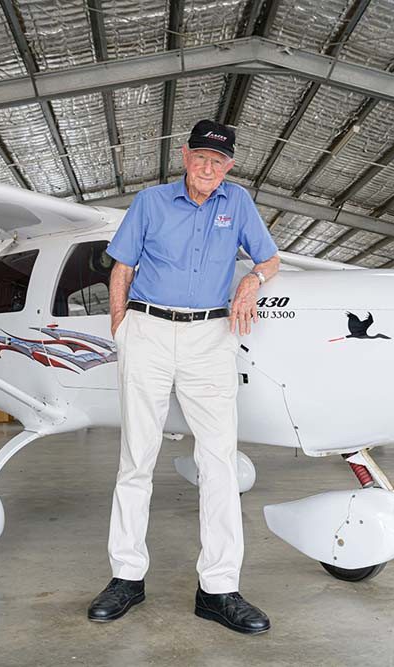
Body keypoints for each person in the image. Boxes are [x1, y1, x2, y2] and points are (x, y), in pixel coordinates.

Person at [87, 119, 280, 634]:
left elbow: (271, 257)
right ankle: (126, 577)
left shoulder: (237, 203)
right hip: (147, 329)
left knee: (218, 462)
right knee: (137, 457)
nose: (209, 169)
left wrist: (250, 282)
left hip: (210, 338)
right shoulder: (150, 203)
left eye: (219, 162)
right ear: (185, 156)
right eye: (201, 159)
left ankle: (219, 589)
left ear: (230, 166)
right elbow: (121, 268)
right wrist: (121, 328)